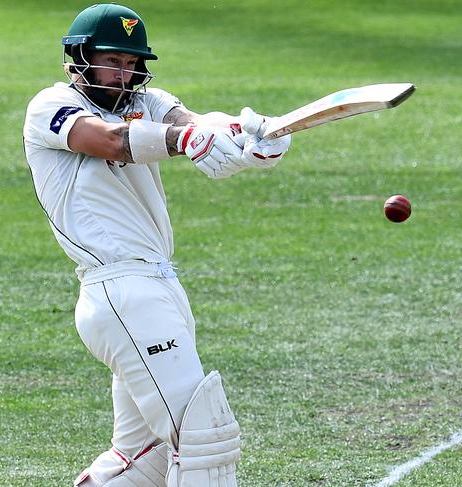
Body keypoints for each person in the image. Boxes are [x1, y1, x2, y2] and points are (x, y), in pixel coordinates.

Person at [22, 4, 291, 486]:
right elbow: (108, 139)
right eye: (112, 60)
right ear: (78, 56)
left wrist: (251, 137)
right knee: (204, 435)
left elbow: (197, 122)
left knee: (142, 457)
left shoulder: (148, 103)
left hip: (161, 286)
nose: (124, 74)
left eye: (131, 64)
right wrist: (185, 139)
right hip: (119, 289)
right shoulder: (51, 105)